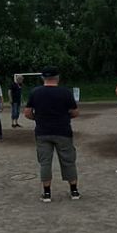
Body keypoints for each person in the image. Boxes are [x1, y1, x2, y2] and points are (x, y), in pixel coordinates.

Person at [25, 69, 81, 202]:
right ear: (58, 77)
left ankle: (47, 193)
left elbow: (27, 113)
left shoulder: (35, 92)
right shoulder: (65, 92)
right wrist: (64, 117)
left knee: (45, 163)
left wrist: (38, 118)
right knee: (68, 161)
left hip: (43, 132)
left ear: (43, 78)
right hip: (63, 131)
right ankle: (74, 191)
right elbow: (75, 112)